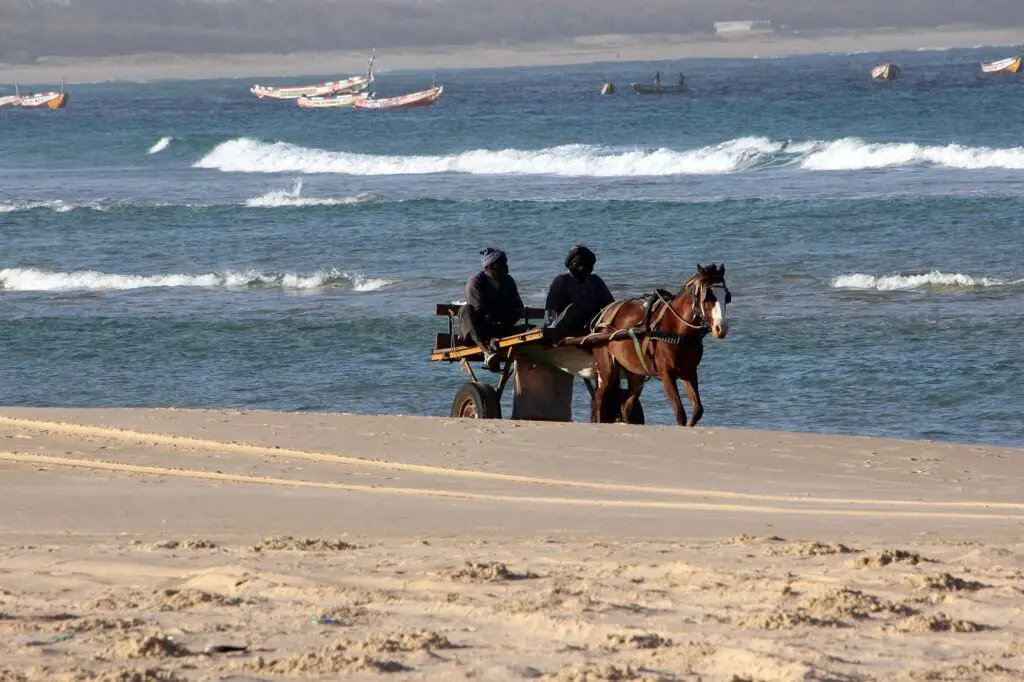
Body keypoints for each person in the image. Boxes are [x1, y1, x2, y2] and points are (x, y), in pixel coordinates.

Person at [459, 247, 524, 370]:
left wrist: (506, 323)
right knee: (466, 309)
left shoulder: (508, 281)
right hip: (478, 332)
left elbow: (518, 308)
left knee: (534, 330)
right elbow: (480, 312)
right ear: (492, 266)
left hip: (502, 328)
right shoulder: (475, 282)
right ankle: (488, 352)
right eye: (504, 263)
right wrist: (494, 328)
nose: (507, 266)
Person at [544, 244, 614, 342]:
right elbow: (550, 313)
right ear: (571, 264)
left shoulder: (595, 281)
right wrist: (550, 334)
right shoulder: (562, 281)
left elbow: (611, 307)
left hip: (594, 328)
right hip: (568, 332)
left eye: (587, 265)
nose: (582, 268)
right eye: (578, 264)